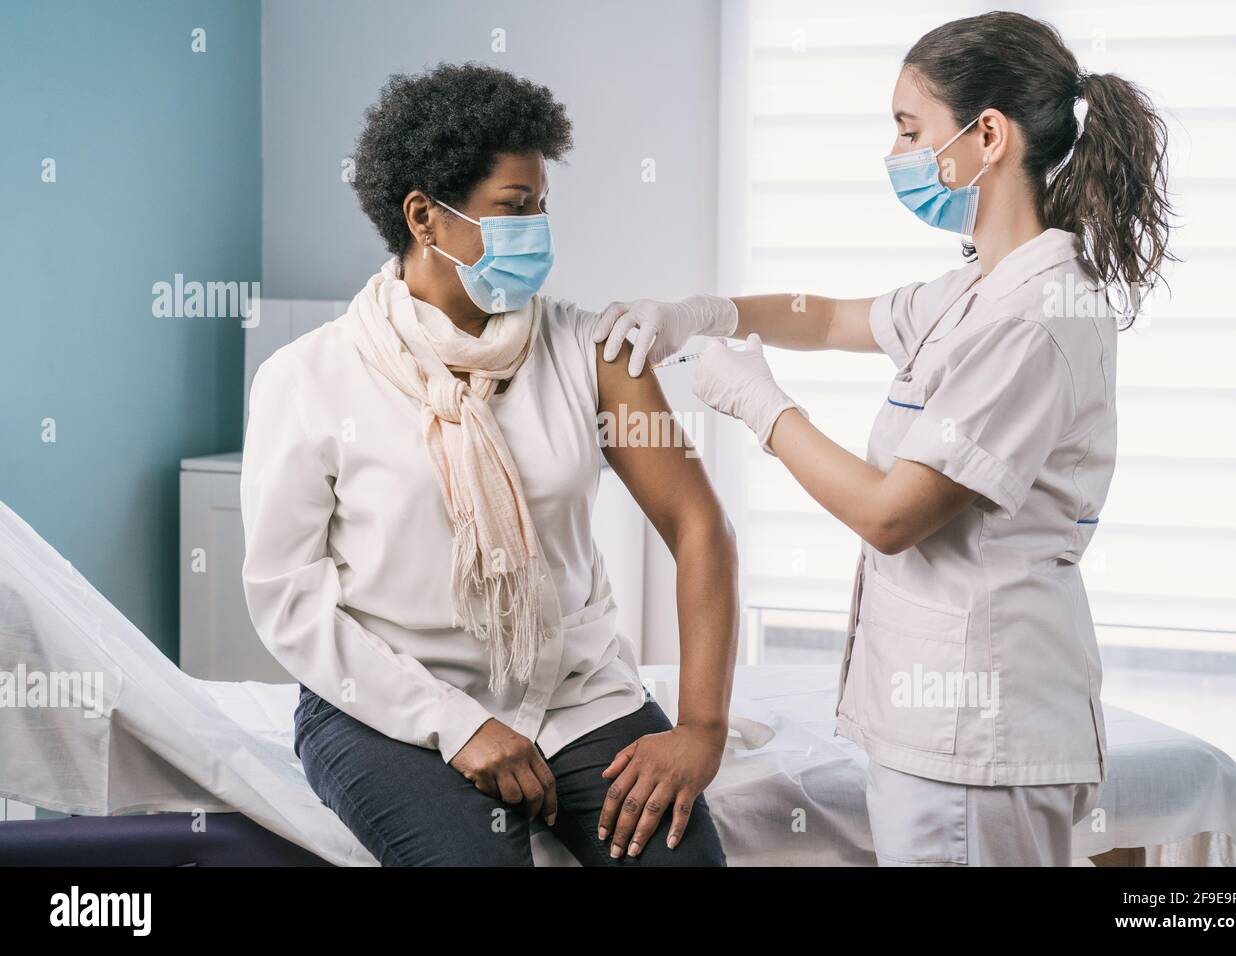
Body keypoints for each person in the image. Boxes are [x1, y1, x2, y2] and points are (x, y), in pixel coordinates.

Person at [594, 11, 1173, 866]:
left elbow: (892, 514)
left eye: (910, 131)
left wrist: (763, 409)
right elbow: (827, 318)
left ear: (987, 136)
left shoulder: (1036, 317)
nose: (897, 154)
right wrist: (701, 311)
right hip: (937, 729)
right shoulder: (976, 289)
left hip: (979, 737)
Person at [241, 63, 737, 866]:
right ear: (423, 218)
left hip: (575, 699)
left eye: (543, 205)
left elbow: (698, 526)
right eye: (516, 209)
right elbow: (288, 602)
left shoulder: (594, 353)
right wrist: (458, 723)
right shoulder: (307, 378)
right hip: (386, 709)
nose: (539, 227)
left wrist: (701, 728)